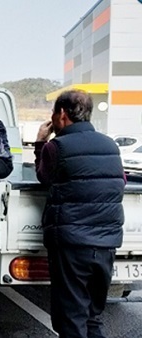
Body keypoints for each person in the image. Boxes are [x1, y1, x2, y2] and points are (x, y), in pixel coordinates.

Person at [35, 90, 125, 338]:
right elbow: (120, 181)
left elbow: (44, 177)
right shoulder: (110, 145)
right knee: (92, 318)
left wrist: (41, 141)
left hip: (72, 244)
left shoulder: (57, 147)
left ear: (61, 114)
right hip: (106, 243)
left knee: (71, 319)